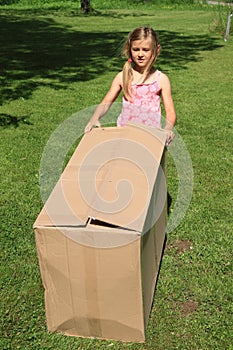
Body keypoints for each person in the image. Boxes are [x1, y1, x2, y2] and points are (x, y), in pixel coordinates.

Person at [84, 26, 176, 146]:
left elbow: (170, 113)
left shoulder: (161, 79)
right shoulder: (122, 77)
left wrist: (168, 128)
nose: (140, 54)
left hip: (151, 138)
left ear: (156, 50)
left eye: (146, 50)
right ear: (129, 49)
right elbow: (106, 103)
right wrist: (95, 117)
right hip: (125, 137)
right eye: (136, 49)